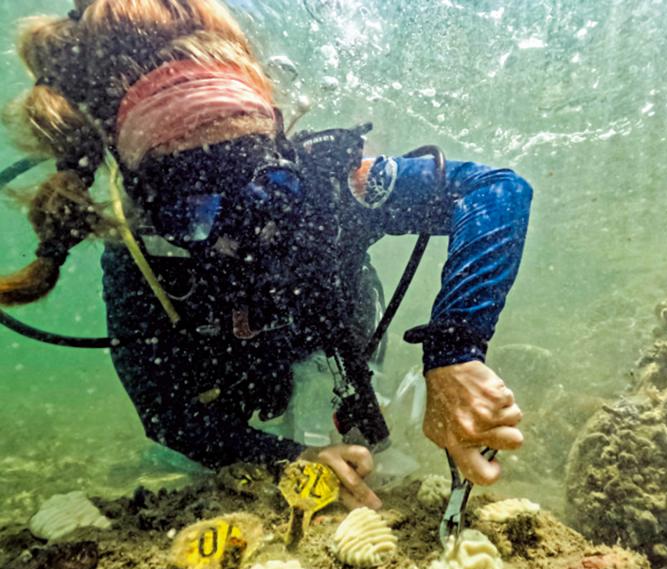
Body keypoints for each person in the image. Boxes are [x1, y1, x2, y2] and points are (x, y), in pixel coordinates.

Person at [0, 0, 532, 511]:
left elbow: (495, 191)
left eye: (266, 187)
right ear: (144, 199)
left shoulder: (329, 186)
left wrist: (455, 350)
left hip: (331, 340)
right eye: (194, 203)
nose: (241, 231)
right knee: (196, 470)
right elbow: (166, 415)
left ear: (284, 148)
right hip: (229, 390)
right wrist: (286, 458)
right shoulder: (140, 258)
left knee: (364, 438)